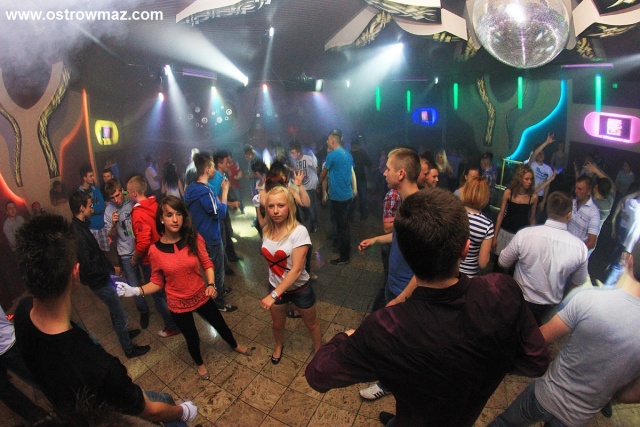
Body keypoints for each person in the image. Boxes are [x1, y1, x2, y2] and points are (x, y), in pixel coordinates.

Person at [306, 189, 550, 426]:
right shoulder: (501, 292)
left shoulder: (388, 328)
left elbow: (318, 373)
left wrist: (349, 336)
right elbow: (536, 361)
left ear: (407, 256)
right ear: (465, 249)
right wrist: (483, 363)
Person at [13, 214, 196, 426]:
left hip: (72, 405)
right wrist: (184, 411)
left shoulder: (22, 312)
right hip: (107, 413)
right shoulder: (98, 367)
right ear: (75, 273)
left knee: (163, 398)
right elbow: (152, 413)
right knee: (166, 405)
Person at [489, 239, 640, 427]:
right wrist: (611, 397)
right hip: (578, 416)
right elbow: (635, 393)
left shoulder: (590, 298)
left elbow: (542, 337)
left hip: (547, 394)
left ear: (629, 260)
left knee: (503, 424)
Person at [117, 196, 253, 380]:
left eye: (178, 214)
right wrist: (136, 290)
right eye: (169, 215)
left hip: (200, 295)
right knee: (192, 337)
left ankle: (234, 345)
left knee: (220, 324)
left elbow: (207, 263)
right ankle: (200, 363)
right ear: (161, 218)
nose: (175, 219)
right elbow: (157, 282)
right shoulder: (155, 251)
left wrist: (211, 284)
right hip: (178, 304)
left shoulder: (193, 238)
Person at [357, 147, 422, 401]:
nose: (384, 172)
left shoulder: (418, 212)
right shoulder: (407, 204)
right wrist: (375, 240)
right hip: (394, 284)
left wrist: (401, 298)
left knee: (400, 341)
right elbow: (398, 235)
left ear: (401, 173)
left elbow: (425, 267)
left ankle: (388, 383)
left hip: (405, 291)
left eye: (388, 168)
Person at [68, 191, 150, 358]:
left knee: (114, 309)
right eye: (89, 206)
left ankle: (125, 335)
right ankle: (129, 349)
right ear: (81, 208)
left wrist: (110, 270)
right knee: (120, 314)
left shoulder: (81, 226)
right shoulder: (78, 233)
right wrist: (110, 271)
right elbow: (90, 265)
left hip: (102, 277)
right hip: (99, 281)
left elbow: (96, 254)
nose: (92, 208)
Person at [498, 192, 589, 325]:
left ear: (548, 210)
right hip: (548, 308)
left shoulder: (525, 235)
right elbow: (578, 283)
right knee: (536, 335)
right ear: (569, 214)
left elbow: (503, 262)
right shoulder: (580, 248)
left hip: (519, 298)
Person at [258, 186, 322, 364]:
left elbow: (297, 270)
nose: (275, 211)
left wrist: (273, 295)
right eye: (271, 206)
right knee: (278, 324)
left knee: (311, 324)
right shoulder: (266, 230)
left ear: (290, 206)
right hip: (276, 287)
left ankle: (319, 350)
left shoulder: (299, 231)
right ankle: (278, 346)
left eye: (281, 205)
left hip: (299, 289)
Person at [126, 175, 180, 338]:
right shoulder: (155, 204)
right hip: (163, 252)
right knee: (169, 289)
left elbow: (143, 242)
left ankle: (172, 326)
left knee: (159, 295)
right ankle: (179, 318)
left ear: (134, 193)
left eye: (127, 192)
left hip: (150, 260)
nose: (126, 195)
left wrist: (135, 258)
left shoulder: (138, 213)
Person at [184, 152, 237, 313]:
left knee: (212, 267)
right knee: (217, 270)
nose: (214, 169)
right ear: (207, 169)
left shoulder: (192, 188)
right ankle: (219, 302)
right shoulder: (205, 192)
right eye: (213, 166)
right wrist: (225, 191)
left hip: (200, 234)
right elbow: (220, 213)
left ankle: (220, 289)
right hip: (211, 236)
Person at [104, 180, 149, 328]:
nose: (116, 200)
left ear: (122, 190)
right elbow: (110, 236)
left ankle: (161, 305)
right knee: (134, 285)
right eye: (112, 198)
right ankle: (144, 311)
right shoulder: (109, 211)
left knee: (151, 279)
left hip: (141, 248)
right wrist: (113, 224)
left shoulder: (131, 199)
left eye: (118, 195)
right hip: (125, 253)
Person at [0, 304, 48, 424]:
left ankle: (71, 404)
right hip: (7, 342)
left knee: (38, 378)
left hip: (6, 344)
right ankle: (41, 420)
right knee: (4, 389)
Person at [319, 129, 355, 265]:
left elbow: (323, 174)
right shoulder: (348, 154)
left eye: (328, 140)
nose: (327, 141)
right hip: (347, 195)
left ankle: (344, 256)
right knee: (343, 225)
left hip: (338, 197)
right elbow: (351, 173)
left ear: (333, 141)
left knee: (342, 227)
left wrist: (318, 185)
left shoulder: (332, 155)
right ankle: (343, 249)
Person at [492, 165, 538, 255]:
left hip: (521, 235)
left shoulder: (533, 197)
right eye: (527, 179)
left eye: (531, 179)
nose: (529, 182)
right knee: (498, 259)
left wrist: (533, 239)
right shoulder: (509, 193)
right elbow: (501, 214)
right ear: (520, 179)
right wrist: (495, 236)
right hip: (505, 231)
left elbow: (532, 218)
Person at [459, 176, 494, 277]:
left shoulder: (454, 214)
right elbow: (483, 263)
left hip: (448, 273)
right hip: (469, 276)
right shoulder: (487, 225)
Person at [78, 164, 109, 252]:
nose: (93, 178)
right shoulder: (79, 193)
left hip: (102, 224)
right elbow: (84, 212)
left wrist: (93, 209)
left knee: (106, 251)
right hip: (91, 227)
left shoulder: (96, 189)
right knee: (95, 251)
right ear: (84, 178)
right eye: (90, 176)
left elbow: (102, 206)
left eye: (93, 175)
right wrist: (95, 208)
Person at [291, 141, 319, 232]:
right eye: (291, 153)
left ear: (298, 152)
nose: (291, 155)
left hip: (310, 186)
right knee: (302, 205)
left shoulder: (308, 158)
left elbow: (316, 168)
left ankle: (315, 225)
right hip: (302, 186)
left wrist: (317, 182)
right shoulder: (296, 162)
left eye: (293, 153)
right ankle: (307, 219)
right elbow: (297, 171)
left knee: (311, 207)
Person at [568, 175, 601, 255]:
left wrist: (575, 251)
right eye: (576, 188)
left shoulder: (594, 213)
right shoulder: (571, 203)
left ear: (588, 191)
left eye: (580, 189)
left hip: (575, 254)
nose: (576, 191)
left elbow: (592, 243)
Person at [527, 133, 555, 217]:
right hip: (528, 194)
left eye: (542, 153)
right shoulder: (531, 163)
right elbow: (535, 154)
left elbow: (547, 186)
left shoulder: (548, 169)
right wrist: (546, 142)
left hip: (540, 197)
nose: (540, 155)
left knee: (535, 218)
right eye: (539, 153)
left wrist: (543, 201)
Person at [350, 139, 372, 220]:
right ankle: (361, 214)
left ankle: (352, 215)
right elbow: (369, 163)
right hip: (359, 178)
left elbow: (369, 163)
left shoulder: (349, 153)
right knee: (362, 198)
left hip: (354, 179)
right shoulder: (361, 153)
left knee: (354, 198)